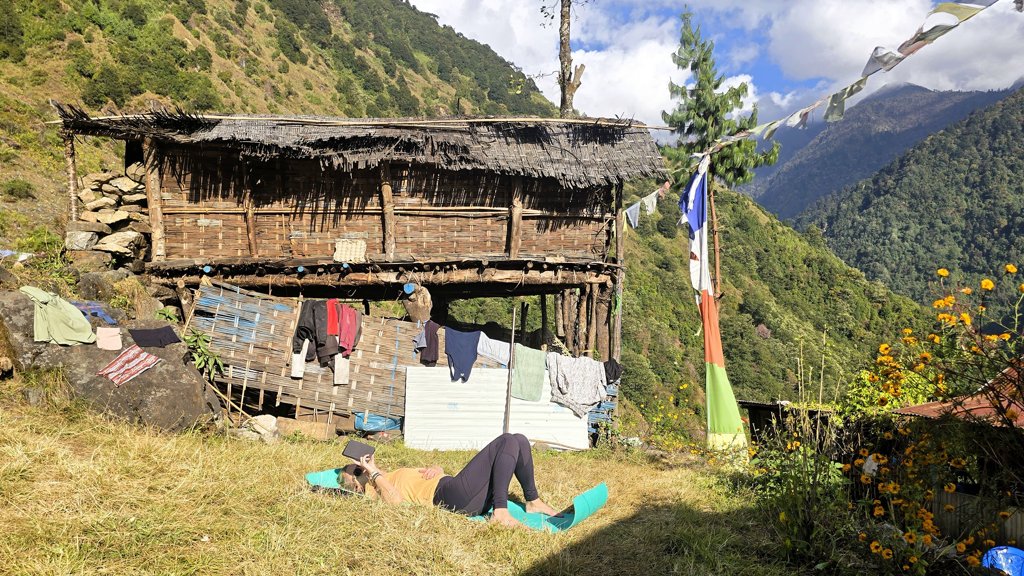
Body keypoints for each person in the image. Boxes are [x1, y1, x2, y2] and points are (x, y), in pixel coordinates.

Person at [339, 432, 559, 527]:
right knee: (506, 441)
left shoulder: (390, 474)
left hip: (457, 488)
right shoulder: (375, 490)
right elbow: (396, 502)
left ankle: (532, 501)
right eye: (357, 471)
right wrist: (374, 473)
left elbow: (427, 475)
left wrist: (437, 468)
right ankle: (500, 511)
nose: (361, 467)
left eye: (358, 465)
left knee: (519, 439)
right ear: (356, 487)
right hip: (451, 497)